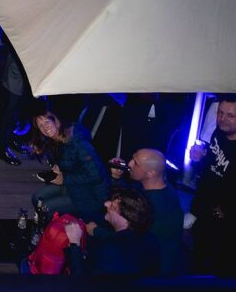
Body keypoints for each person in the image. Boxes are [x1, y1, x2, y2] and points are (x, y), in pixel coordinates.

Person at [90, 148, 183, 276]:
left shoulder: (153, 205)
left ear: (151, 173)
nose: (129, 163)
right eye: (133, 158)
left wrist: (96, 231)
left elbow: (129, 239)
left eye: (136, 163)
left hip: (153, 267)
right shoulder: (154, 186)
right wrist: (116, 178)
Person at [30, 105, 110, 223]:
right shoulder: (55, 140)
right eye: (40, 125)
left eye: (47, 121)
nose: (45, 127)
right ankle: (48, 228)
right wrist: (54, 164)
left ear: (56, 120)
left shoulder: (78, 142)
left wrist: (64, 179)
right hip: (73, 185)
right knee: (36, 198)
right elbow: (65, 161)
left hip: (91, 195)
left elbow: (96, 176)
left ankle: (53, 233)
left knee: (46, 207)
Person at [189, 94, 236, 275]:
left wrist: (227, 212)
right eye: (221, 113)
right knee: (199, 257)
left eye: (230, 116)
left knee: (222, 266)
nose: (222, 119)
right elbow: (213, 166)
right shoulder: (219, 132)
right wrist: (202, 156)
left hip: (225, 221)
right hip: (206, 208)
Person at [62, 188, 159, 275]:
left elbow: (81, 282)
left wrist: (75, 243)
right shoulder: (150, 240)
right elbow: (120, 240)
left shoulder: (109, 251)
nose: (106, 204)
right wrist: (96, 231)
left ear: (126, 217)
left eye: (113, 206)